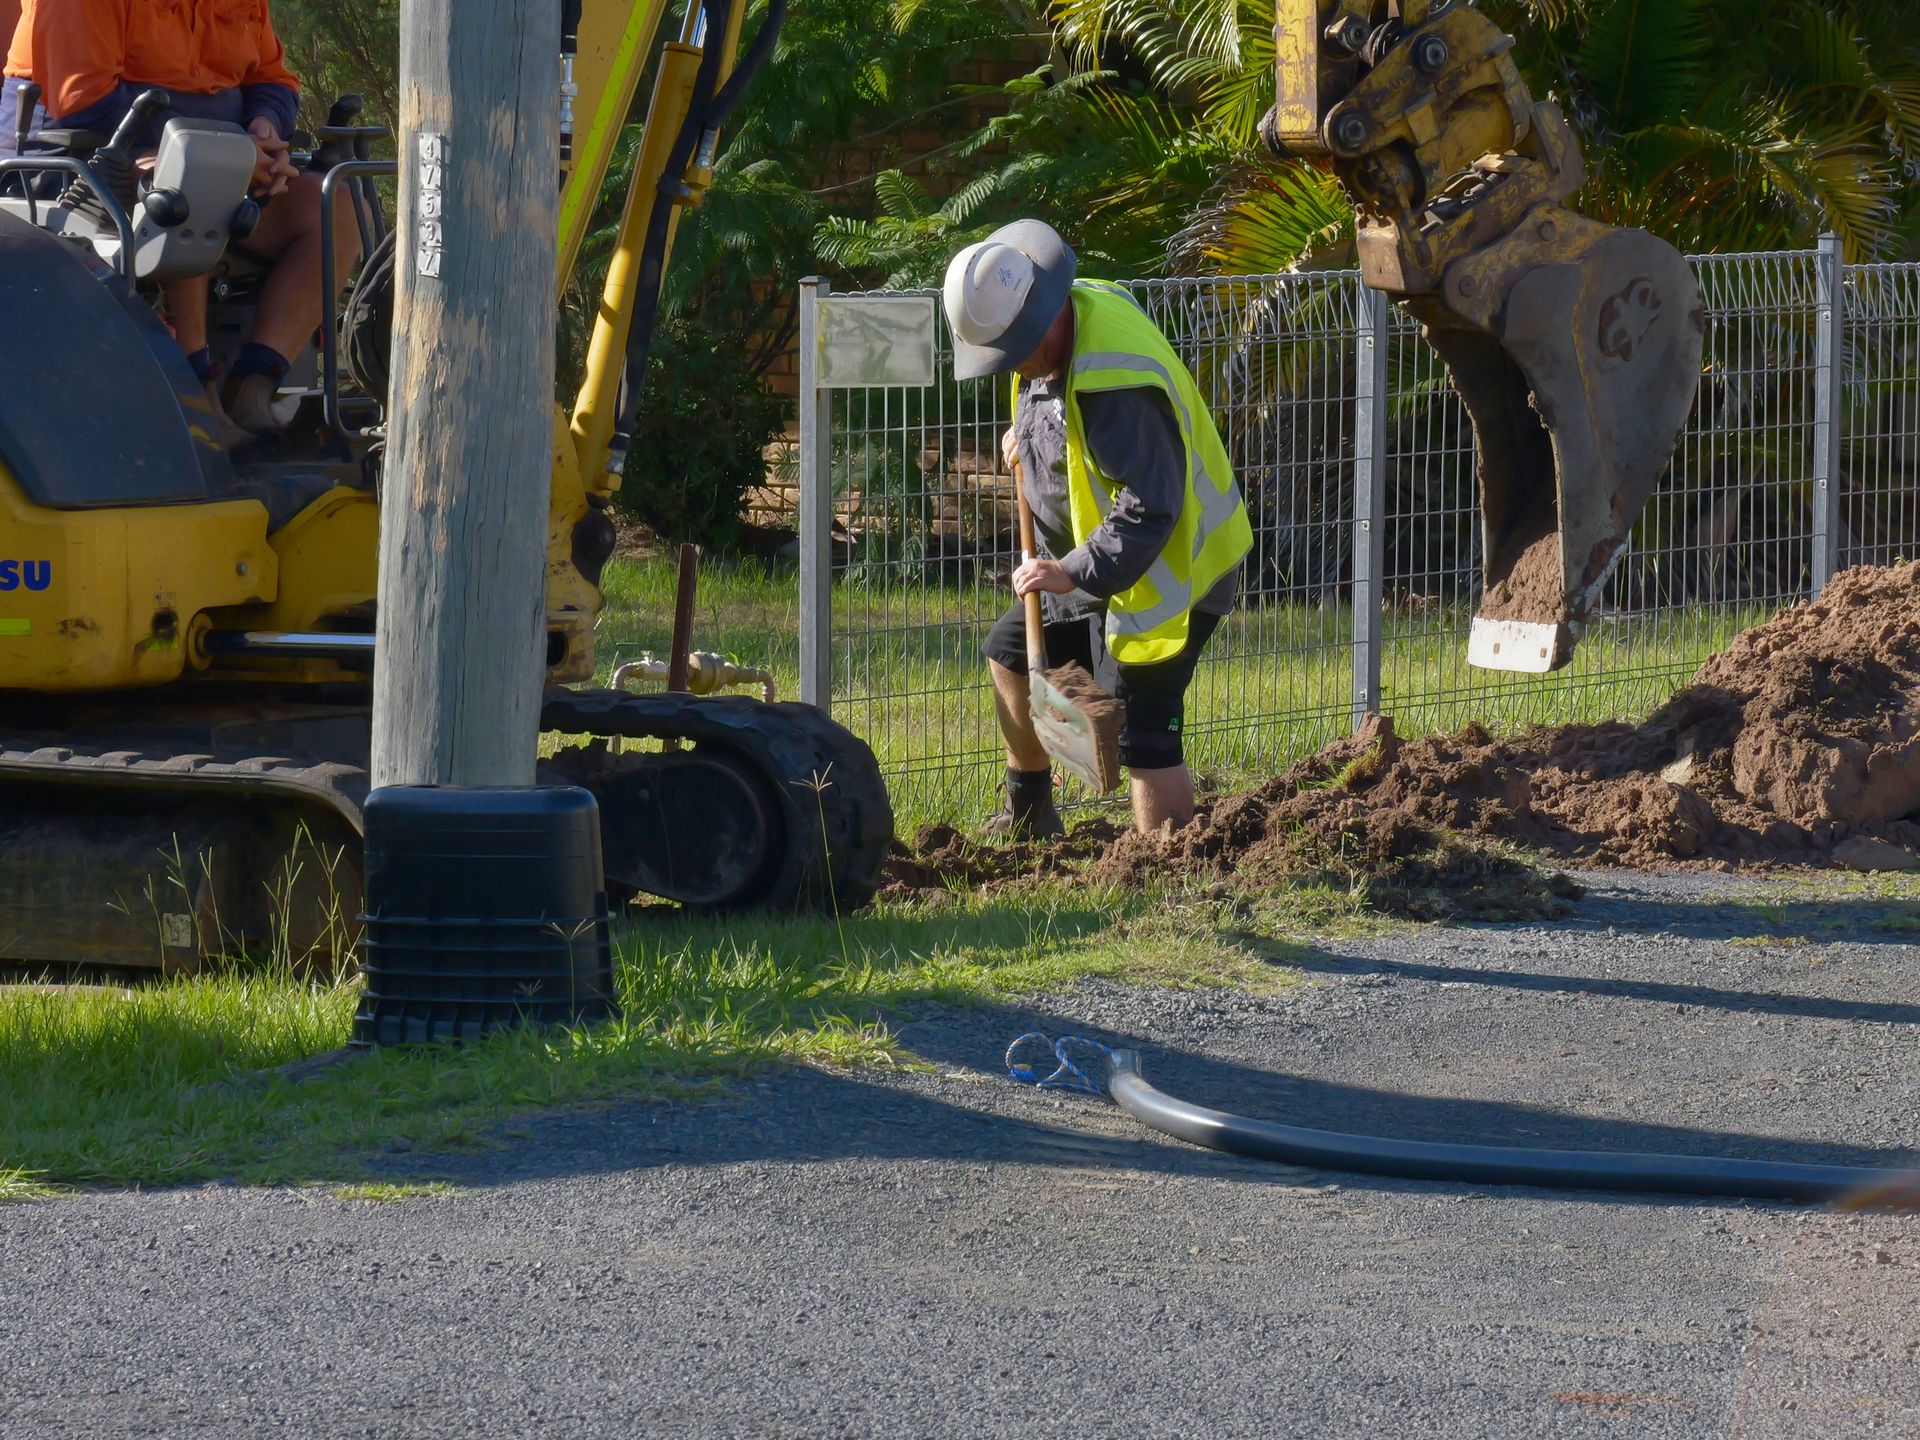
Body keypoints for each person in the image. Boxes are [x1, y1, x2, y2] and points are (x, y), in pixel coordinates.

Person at [943, 219, 1252, 840]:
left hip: (1175, 569)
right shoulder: (1073, 316)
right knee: (1009, 654)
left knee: (1146, 726)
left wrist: (1070, 572)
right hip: (1098, 562)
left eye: (1013, 350)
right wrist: (1025, 442)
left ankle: (1167, 872)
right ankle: (1030, 815)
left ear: (1041, 320)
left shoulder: (1118, 390)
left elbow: (1150, 509)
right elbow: (1062, 417)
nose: (1011, 367)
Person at [1, 0, 359, 436]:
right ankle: (196, 392)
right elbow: (82, 100)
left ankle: (254, 389)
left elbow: (273, 78)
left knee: (329, 205)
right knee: (195, 178)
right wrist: (220, 151)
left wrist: (263, 128)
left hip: (216, 156)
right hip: (76, 156)